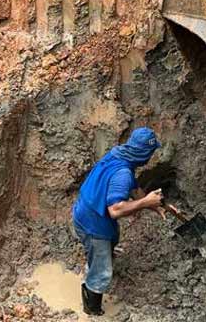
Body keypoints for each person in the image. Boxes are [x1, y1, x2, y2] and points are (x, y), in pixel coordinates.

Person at [71, 127, 176, 315]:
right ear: (145, 154)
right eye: (151, 153)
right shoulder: (123, 173)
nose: (151, 157)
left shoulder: (118, 154)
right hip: (94, 223)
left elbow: (134, 189)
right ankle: (92, 308)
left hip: (86, 210)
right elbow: (115, 210)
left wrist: (158, 205)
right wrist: (145, 202)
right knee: (102, 272)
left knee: (111, 239)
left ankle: (99, 259)